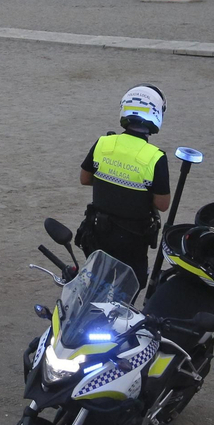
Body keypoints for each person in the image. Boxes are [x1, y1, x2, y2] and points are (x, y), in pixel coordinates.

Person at [77, 85, 172, 280]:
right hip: (132, 240)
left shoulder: (103, 142)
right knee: (128, 287)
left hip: (97, 233)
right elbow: (163, 205)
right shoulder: (155, 157)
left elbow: (85, 179)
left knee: (95, 282)